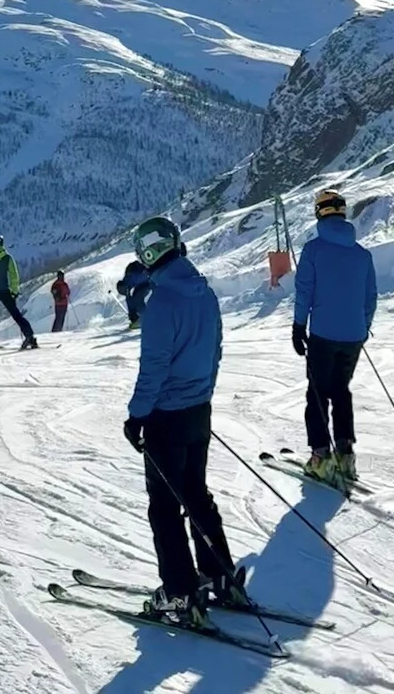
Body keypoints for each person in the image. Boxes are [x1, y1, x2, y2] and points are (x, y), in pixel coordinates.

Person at [123, 215, 243, 627]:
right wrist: (203, 395)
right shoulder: (203, 294)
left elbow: (153, 368)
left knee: (164, 506)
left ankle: (178, 591)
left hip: (166, 417)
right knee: (196, 493)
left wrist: (137, 416)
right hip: (197, 411)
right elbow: (216, 350)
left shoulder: (161, 304)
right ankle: (219, 575)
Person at [292, 188, 377, 487]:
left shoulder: (313, 250)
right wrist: (362, 327)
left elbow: (304, 291)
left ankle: (320, 457)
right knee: (341, 391)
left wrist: (298, 326)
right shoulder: (362, 254)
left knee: (317, 393)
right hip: (353, 336)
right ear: (342, 212)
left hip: (323, 335)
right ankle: (345, 454)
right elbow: (370, 298)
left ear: (319, 213)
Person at [117, 259, 150, 328]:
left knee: (138, 299)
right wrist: (132, 315)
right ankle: (140, 318)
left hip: (148, 282)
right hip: (141, 284)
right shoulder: (127, 286)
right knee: (135, 297)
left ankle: (147, 318)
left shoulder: (132, 277)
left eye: (125, 291)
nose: (127, 293)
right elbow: (129, 299)